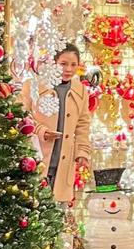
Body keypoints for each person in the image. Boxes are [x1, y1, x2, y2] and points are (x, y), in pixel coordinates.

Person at [20, 43, 92, 205]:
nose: (68, 69)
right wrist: (41, 131)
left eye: (73, 65)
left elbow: (83, 125)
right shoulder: (34, 85)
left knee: (56, 215)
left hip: (64, 161)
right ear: (54, 62)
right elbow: (22, 115)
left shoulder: (80, 91)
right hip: (36, 156)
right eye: (63, 64)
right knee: (32, 207)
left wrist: (82, 152)